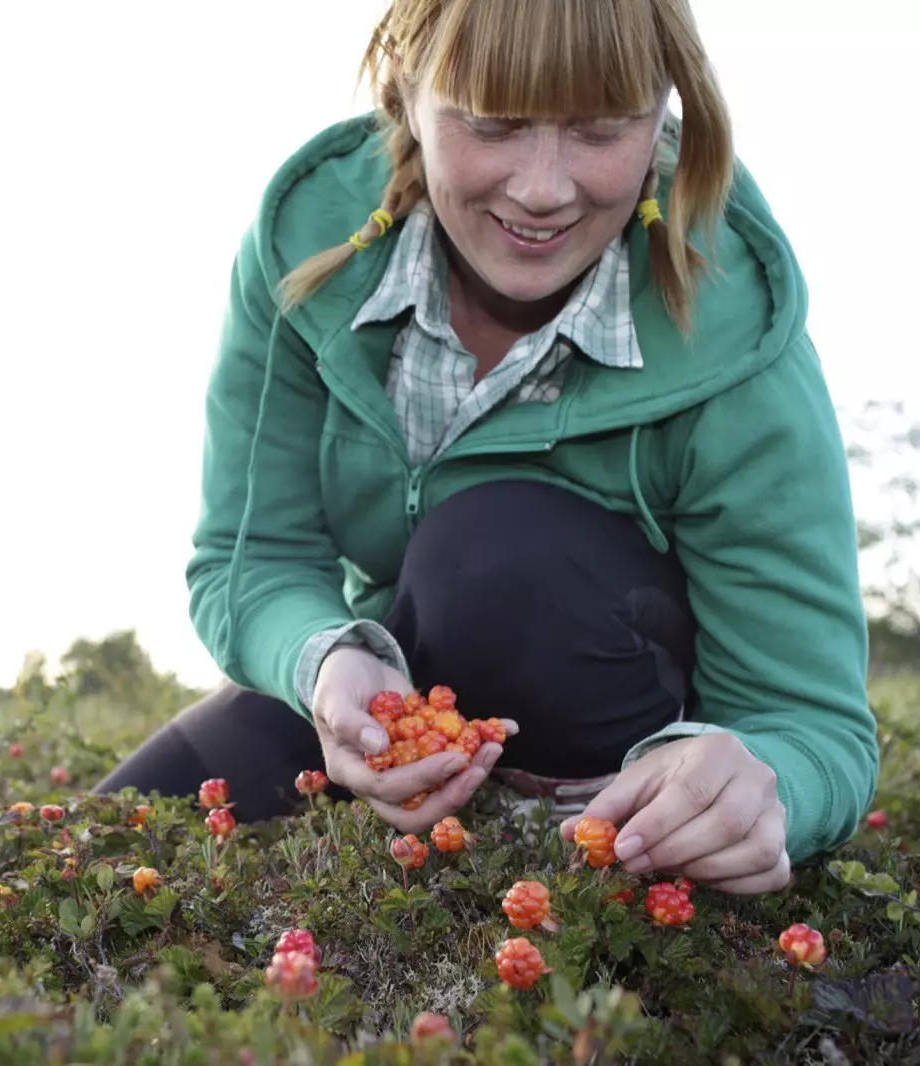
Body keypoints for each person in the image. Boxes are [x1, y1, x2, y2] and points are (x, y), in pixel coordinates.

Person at [95, 0, 879, 895]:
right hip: (410, 676)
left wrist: (764, 786)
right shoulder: (304, 252)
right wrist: (325, 660)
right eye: (493, 122)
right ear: (407, 90)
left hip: (626, 737)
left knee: (490, 554)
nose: (543, 188)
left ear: (664, 105)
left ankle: (556, 844)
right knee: (107, 848)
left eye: (600, 128)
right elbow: (252, 559)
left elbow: (815, 724)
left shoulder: (740, 327)